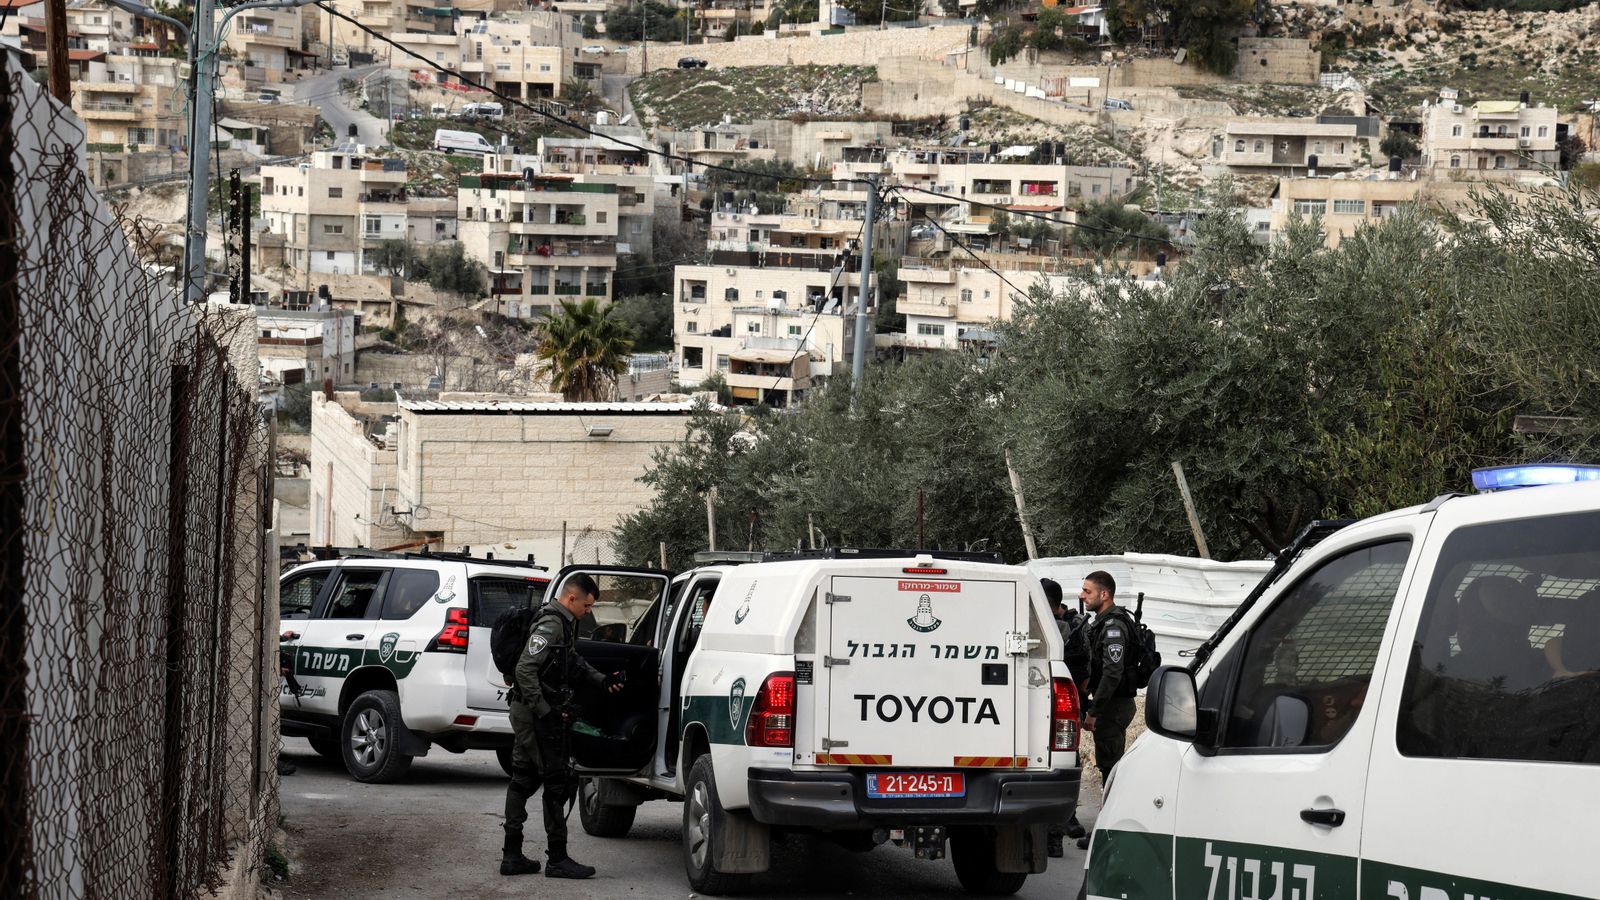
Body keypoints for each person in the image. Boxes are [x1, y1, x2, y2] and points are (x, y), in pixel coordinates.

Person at [501, 574, 625, 879]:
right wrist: (544, 711)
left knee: (523, 778)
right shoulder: (552, 623)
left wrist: (602, 681)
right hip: (533, 714)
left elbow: (571, 659)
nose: (589, 611)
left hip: (529, 711)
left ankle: (512, 856)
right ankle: (556, 859)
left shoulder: (562, 622)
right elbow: (525, 670)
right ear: (572, 599)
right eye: (587, 604)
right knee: (557, 782)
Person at [1041, 578, 1089, 857]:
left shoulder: (1065, 629)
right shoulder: (1068, 628)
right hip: (1060, 706)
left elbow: (1084, 669)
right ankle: (1055, 835)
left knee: (1059, 766)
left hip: (1060, 706)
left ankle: (1054, 837)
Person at [1081, 570, 1138, 782]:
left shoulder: (1114, 628)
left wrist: (1094, 711)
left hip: (1113, 706)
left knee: (1111, 768)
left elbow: (1112, 674)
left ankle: (1112, 813)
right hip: (1111, 704)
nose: (1082, 595)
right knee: (1109, 764)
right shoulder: (1103, 623)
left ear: (1104, 595)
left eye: (1087, 591)